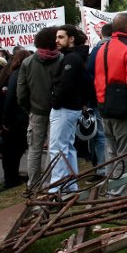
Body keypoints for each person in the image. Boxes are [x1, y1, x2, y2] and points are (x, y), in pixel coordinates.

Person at [94, 12, 127, 196]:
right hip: (125, 109)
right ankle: (117, 199)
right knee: (125, 156)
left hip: (105, 107)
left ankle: (111, 192)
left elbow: (98, 79)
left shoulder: (103, 48)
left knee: (111, 153)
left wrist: (101, 102)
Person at [47, 25, 91, 194]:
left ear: (71, 39)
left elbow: (65, 84)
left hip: (65, 108)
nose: (56, 40)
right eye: (56, 37)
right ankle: (71, 185)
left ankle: (57, 188)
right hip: (70, 107)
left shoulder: (72, 58)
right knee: (67, 147)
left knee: (58, 148)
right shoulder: (74, 57)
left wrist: (56, 102)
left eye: (61, 37)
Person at [17, 26, 63, 188]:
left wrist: (28, 108)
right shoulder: (62, 60)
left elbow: (21, 91)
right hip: (57, 111)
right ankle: (50, 183)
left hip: (36, 111)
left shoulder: (27, 62)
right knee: (53, 148)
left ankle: (34, 184)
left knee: (35, 149)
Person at [0, 50, 32, 190]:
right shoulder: (20, 74)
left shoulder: (16, 74)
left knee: (12, 151)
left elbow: (11, 98)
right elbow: (12, 98)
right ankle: (11, 178)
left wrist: (6, 120)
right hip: (18, 118)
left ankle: (11, 178)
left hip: (15, 118)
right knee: (13, 151)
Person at [86, 23, 112, 174]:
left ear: (101, 35)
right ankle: (105, 165)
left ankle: (101, 167)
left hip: (97, 98)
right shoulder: (116, 49)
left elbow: (90, 74)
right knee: (107, 134)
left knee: (99, 134)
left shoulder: (96, 51)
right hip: (112, 98)